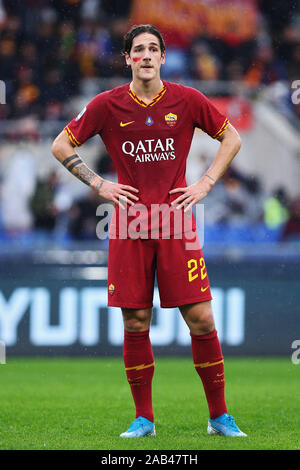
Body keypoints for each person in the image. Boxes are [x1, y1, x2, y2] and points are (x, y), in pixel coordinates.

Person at [52, 24, 246, 438]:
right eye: (137, 49)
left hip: (178, 223)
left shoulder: (187, 100)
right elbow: (61, 145)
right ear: (127, 59)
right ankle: (144, 419)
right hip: (127, 224)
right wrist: (99, 184)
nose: (145, 55)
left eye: (152, 49)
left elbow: (231, 137)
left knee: (202, 318)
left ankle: (219, 417)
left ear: (161, 58)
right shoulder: (106, 105)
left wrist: (205, 183)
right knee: (136, 322)